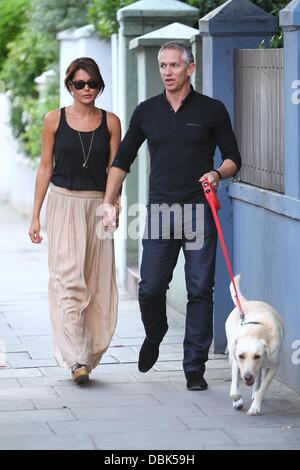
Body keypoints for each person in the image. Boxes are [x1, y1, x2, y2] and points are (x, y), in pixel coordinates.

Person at [103, 42, 241, 391]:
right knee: (149, 288)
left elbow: (233, 157)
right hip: (161, 211)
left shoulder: (212, 110)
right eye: (163, 65)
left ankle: (194, 366)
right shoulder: (147, 111)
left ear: (189, 69)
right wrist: (110, 201)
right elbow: (122, 160)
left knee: (199, 290)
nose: (166, 71)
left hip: (198, 211)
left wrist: (217, 174)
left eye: (174, 65)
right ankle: (156, 332)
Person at [28, 57, 121, 384]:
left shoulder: (111, 122)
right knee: (68, 280)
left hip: (98, 205)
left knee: (95, 282)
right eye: (79, 83)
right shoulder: (53, 120)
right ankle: (76, 357)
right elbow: (44, 168)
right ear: (69, 86)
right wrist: (35, 215)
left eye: (92, 83)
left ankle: (89, 350)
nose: (86, 89)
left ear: (99, 86)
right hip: (63, 203)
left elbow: (115, 170)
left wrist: (114, 205)